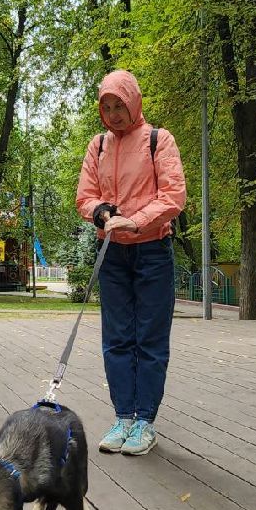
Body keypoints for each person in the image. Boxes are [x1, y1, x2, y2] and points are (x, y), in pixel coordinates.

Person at [76, 69, 186, 456]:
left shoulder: (159, 140)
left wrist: (135, 220)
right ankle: (123, 416)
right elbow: (85, 196)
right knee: (117, 338)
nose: (114, 114)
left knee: (150, 339)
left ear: (133, 102)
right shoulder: (98, 146)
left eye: (119, 105)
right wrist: (101, 211)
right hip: (112, 253)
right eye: (107, 107)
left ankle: (145, 421)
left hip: (153, 249)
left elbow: (173, 196)